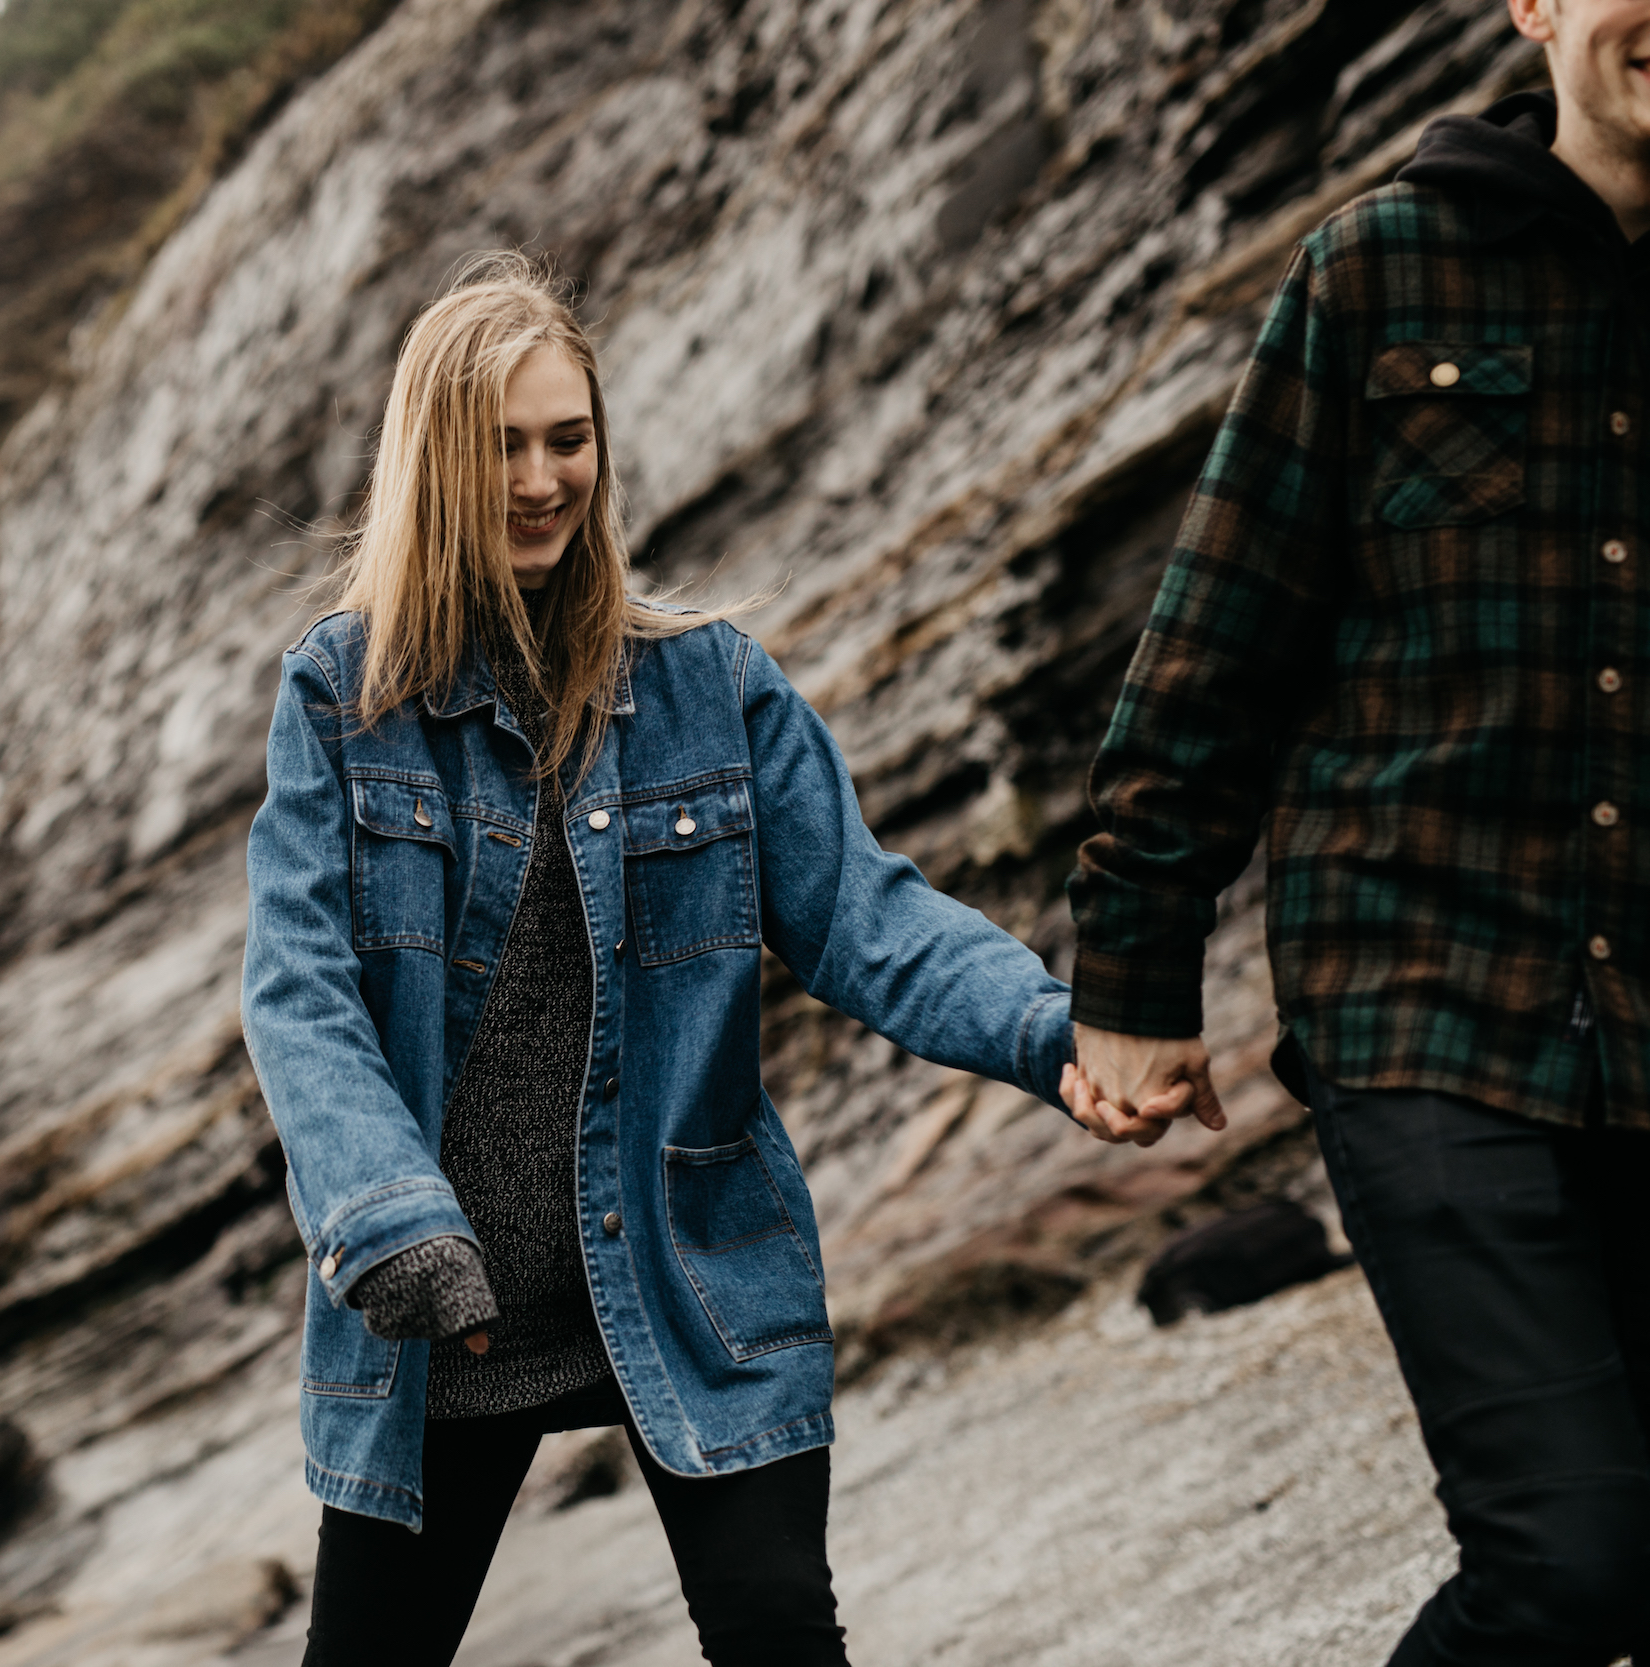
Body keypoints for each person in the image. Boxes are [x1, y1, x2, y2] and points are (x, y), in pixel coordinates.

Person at [240, 252, 1092, 1666]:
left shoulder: (711, 685)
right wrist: (395, 1228)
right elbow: (299, 993)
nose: (539, 479)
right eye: (500, 445)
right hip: (441, 1310)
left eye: (566, 439)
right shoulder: (343, 696)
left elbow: (871, 924)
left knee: (776, 1630)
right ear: (433, 460)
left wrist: (1062, 1037)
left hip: (692, 1275)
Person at [1067, 0, 1650, 1658]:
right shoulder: (1378, 270)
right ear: (1538, 3)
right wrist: (1137, 965)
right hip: (1427, 1004)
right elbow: (1220, 639)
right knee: (1574, 1562)